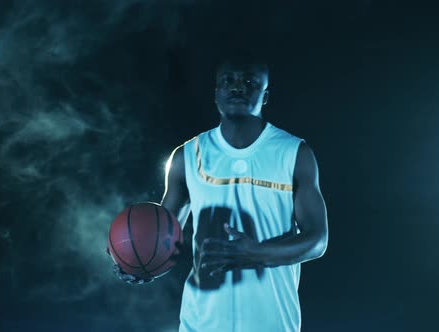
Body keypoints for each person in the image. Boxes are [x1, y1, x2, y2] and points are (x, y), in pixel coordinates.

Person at [110, 57, 329, 331]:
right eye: (228, 81)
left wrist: (258, 253)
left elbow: (318, 240)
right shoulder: (187, 156)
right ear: (216, 94)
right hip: (201, 323)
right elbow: (165, 240)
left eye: (249, 82)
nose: (237, 87)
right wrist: (141, 265)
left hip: (272, 323)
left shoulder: (295, 153)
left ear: (266, 95)